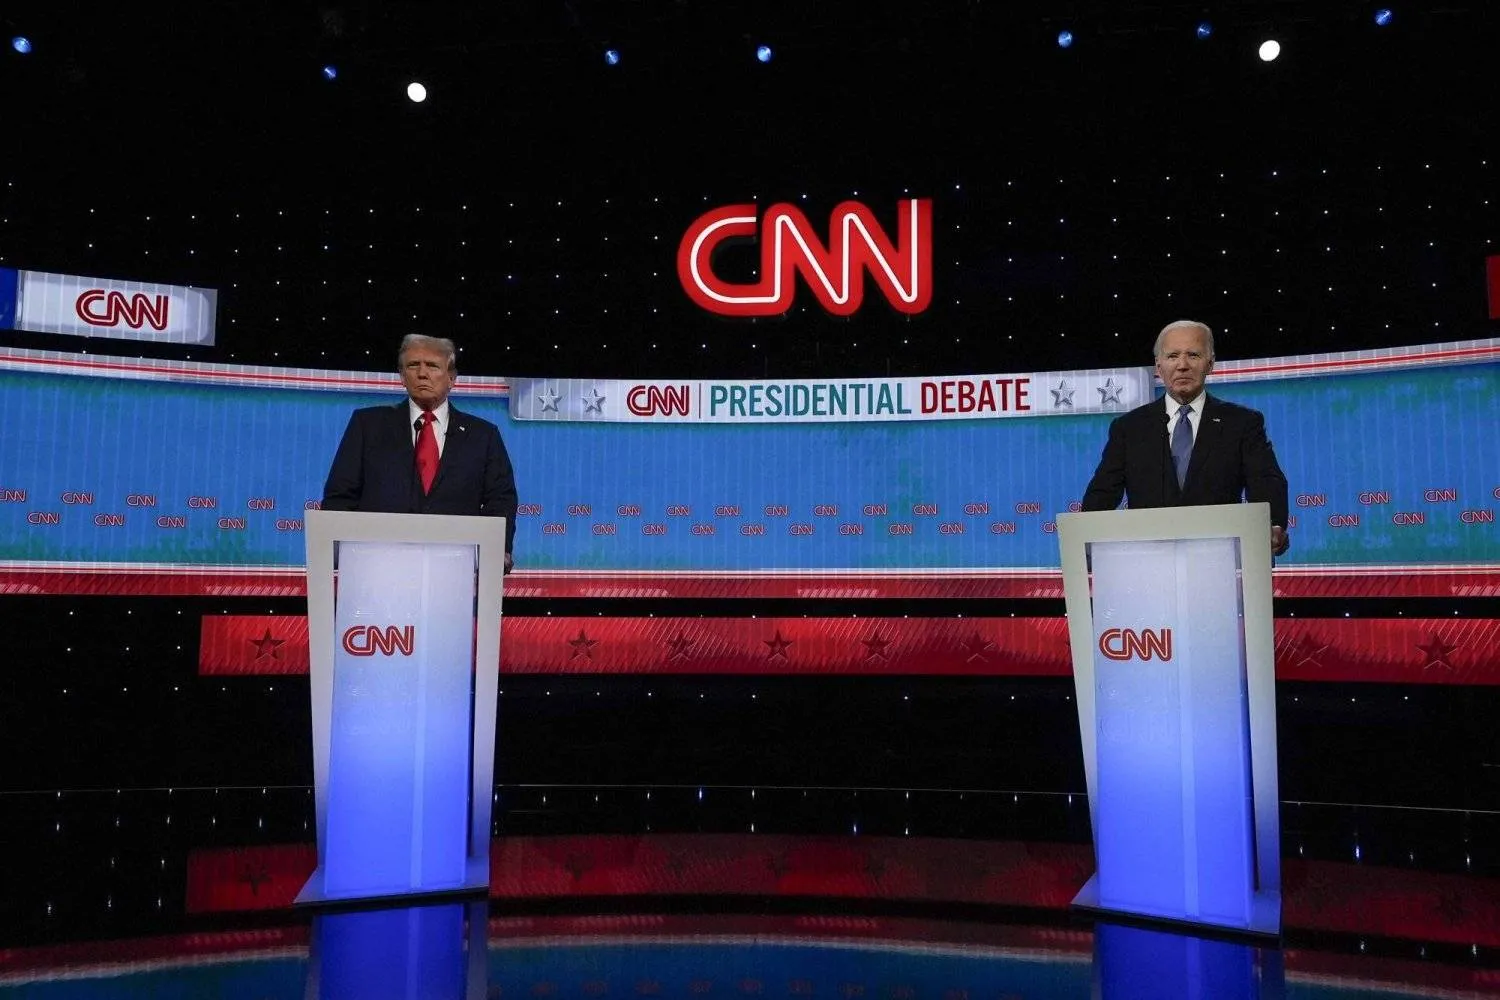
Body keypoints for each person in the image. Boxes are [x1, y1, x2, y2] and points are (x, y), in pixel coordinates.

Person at [1081, 320, 1290, 556]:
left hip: (1220, 560)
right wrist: (1083, 534)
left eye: (1193, 355)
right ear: (1158, 367)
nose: (1182, 365)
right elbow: (1102, 493)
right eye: (1172, 356)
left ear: (1210, 364)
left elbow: (1266, 482)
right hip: (1147, 563)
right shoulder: (1129, 428)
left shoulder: (1242, 423)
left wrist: (1272, 526)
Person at [322, 334, 518, 570]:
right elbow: (340, 496)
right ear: (402, 376)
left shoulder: (483, 435)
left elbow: (501, 499)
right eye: (413, 365)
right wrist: (340, 551)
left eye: (433, 366)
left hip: (453, 571)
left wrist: (498, 549)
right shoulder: (367, 425)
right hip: (375, 569)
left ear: (452, 378)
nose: (422, 373)